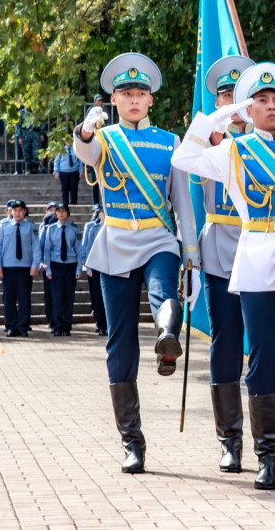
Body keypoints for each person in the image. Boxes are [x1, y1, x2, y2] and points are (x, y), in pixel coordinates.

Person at [174, 60, 275, 490]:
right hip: (253, 254)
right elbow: (184, 158)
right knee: (260, 358)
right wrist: (219, 117)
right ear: (250, 109)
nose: (270, 106)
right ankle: (257, 453)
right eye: (261, 100)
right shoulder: (236, 151)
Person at [75, 52, 201, 475]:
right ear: (114, 99)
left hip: (158, 237)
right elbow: (84, 152)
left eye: (140, 93)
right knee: (121, 343)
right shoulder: (104, 138)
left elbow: (181, 200)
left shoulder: (170, 142)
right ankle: (132, 441)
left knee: (163, 291)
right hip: (116, 242)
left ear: (150, 100)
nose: (133, 99)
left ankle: (167, 339)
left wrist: (190, 252)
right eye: (126, 93)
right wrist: (85, 130)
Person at [193, 54, 255, 474]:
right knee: (226, 343)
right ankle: (229, 440)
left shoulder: (268, 141)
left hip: (260, 247)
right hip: (219, 247)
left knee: (264, 343)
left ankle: (266, 438)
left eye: (240, 95)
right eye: (225, 96)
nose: (232, 103)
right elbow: (190, 153)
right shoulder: (207, 141)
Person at [0, 199, 40, 337]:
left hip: (25, 267)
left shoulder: (30, 226)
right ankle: (10, 326)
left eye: (20, 210)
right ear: (11, 211)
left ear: (25, 211)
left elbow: (36, 246)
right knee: (9, 298)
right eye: (15, 210)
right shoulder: (3, 225)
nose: (17, 213)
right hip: (8, 267)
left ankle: (22, 326)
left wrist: (35, 265)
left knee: (24, 298)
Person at [43, 202, 80, 337]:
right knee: (57, 297)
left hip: (70, 264)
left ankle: (67, 325)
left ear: (68, 213)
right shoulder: (51, 229)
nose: (61, 214)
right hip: (56, 265)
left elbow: (78, 249)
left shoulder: (74, 229)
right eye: (58, 211)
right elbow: (47, 250)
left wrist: (78, 269)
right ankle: (57, 325)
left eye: (63, 211)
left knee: (69, 297)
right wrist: (48, 269)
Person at [81, 205, 107, 336]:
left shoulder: (114, 228)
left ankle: (109, 324)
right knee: (97, 297)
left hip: (111, 267)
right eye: (101, 212)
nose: (103, 214)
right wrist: (89, 267)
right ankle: (101, 324)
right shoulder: (93, 228)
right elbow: (88, 248)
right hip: (96, 266)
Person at [38, 202, 58, 333]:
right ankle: (51, 319)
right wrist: (40, 262)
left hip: (59, 263)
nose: (52, 212)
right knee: (49, 294)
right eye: (50, 210)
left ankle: (59, 320)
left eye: (55, 209)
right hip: (47, 264)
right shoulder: (43, 226)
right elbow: (40, 246)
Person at [16, 104, 42, 174]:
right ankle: (28, 168)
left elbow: (41, 122)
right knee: (26, 152)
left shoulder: (36, 112)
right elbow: (18, 126)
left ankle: (36, 167)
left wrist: (42, 133)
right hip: (25, 133)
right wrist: (20, 136)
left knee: (36, 151)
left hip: (35, 132)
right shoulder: (21, 113)